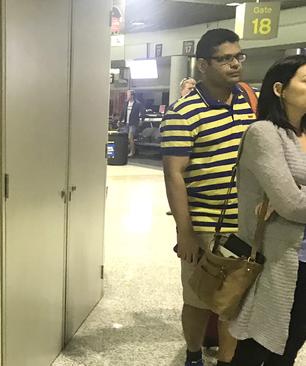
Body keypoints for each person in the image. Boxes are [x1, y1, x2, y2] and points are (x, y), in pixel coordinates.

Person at [161, 28, 258, 366]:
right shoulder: (183, 112)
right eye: (224, 59)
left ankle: (226, 360)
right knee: (199, 297)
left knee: (235, 300)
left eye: (238, 56)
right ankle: (192, 354)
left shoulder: (248, 102)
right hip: (204, 225)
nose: (234, 64)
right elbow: (174, 174)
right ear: (203, 65)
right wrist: (184, 232)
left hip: (244, 224)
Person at [228, 55, 306, 366]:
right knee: (257, 345)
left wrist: (294, 196)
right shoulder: (264, 133)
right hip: (277, 259)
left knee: (290, 346)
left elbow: (292, 201)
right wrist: (291, 199)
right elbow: (291, 204)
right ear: (279, 89)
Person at [120, 89, 144, 157]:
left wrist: (141, 120)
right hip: (126, 122)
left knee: (130, 137)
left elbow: (142, 112)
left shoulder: (137, 104)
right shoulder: (126, 103)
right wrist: (120, 120)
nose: (127, 96)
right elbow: (123, 112)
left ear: (132, 95)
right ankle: (126, 150)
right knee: (125, 137)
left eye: (128, 95)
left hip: (133, 123)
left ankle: (132, 152)